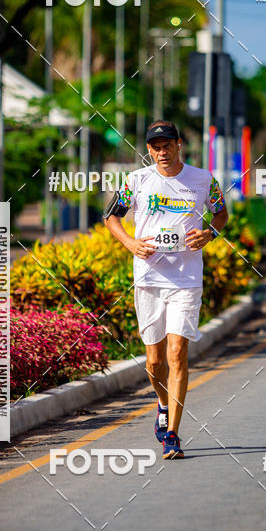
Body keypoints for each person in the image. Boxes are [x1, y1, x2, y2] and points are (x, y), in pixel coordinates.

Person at [104, 120, 228, 459]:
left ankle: (172, 433)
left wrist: (209, 233)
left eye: (167, 144)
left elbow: (221, 213)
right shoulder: (136, 181)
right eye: (155, 146)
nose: (162, 151)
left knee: (177, 353)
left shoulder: (203, 180)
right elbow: (111, 216)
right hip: (149, 278)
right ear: (148, 149)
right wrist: (130, 243)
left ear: (178, 144)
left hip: (186, 280)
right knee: (154, 361)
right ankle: (161, 404)